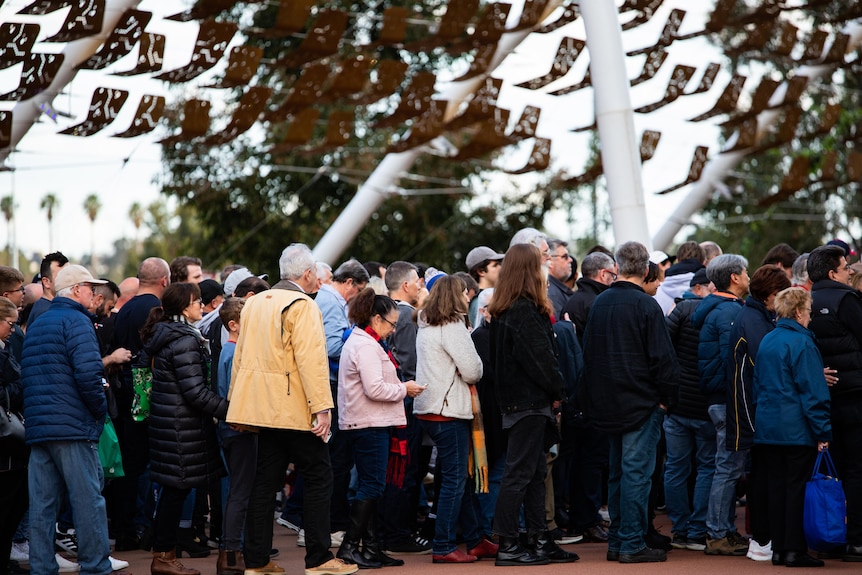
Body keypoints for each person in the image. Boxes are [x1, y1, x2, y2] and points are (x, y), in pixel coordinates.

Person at [226, 243, 357, 575]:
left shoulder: (253, 303)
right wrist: (322, 408)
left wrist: (236, 407)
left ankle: (257, 561)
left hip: (258, 408)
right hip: (292, 407)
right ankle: (318, 558)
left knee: (264, 482)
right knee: (319, 475)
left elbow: (239, 358)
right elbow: (311, 362)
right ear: (309, 273)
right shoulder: (302, 305)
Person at [581, 241, 679, 564]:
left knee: (618, 473)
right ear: (646, 268)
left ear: (619, 266)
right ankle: (632, 542)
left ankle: (620, 539)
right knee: (636, 473)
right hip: (640, 402)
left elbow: (589, 356)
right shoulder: (646, 306)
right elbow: (663, 360)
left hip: (609, 401)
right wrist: (667, 400)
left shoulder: (601, 302)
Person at [21, 265, 117, 575]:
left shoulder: (38, 321)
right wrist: (99, 411)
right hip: (72, 425)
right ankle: (95, 567)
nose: (96, 294)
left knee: (43, 506)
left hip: (40, 426)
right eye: (91, 288)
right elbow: (89, 374)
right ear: (76, 290)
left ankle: (42, 568)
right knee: (87, 501)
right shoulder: (77, 320)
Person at [488, 243, 577, 566]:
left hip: (520, 403)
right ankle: (510, 543)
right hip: (528, 402)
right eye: (540, 263)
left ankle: (540, 538)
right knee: (520, 473)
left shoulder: (505, 309)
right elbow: (541, 362)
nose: (545, 268)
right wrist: (558, 390)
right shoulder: (523, 310)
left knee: (533, 472)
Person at [141, 282, 228, 575]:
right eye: (196, 301)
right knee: (175, 492)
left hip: (173, 424)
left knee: (172, 491)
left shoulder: (171, 335)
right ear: (183, 306)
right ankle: (163, 557)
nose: (201, 305)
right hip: (181, 427)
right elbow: (195, 392)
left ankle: (163, 554)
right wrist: (230, 409)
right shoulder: (184, 340)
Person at [335, 288, 425, 568]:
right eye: (391, 324)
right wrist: (404, 388)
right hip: (368, 422)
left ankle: (371, 547)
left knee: (373, 485)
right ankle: (351, 546)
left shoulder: (366, 342)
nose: (393, 329)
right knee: (372, 485)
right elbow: (374, 388)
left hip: (369, 421)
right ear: (376, 319)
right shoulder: (365, 345)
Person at [413, 275, 491, 563]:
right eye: (464, 293)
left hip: (429, 408)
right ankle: (444, 544)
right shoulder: (452, 325)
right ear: (454, 296)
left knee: (458, 478)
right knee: (456, 480)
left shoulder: (426, 324)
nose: (469, 297)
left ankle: (475, 538)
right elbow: (473, 370)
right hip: (449, 409)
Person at [753, 287, 831, 568]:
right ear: (799, 312)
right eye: (808, 311)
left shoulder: (768, 340)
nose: (810, 316)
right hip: (796, 429)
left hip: (768, 427)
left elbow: (757, 386)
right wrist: (823, 431)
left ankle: (779, 549)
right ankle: (794, 550)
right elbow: (813, 392)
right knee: (796, 489)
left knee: (777, 489)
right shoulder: (803, 343)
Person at [726, 266, 790, 561]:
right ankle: (762, 539)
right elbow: (764, 366)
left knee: (759, 476)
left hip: (753, 409)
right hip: (754, 410)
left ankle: (761, 538)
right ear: (771, 295)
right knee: (761, 477)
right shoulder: (753, 319)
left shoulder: (756, 316)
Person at [691, 253, 749, 556]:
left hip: (718, 398)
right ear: (735, 277)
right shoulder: (727, 311)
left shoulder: (720, 308)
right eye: (746, 272)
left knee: (725, 466)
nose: (749, 277)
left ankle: (722, 530)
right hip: (727, 398)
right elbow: (735, 361)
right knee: (727, 467)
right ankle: (717, 534)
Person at [807, 244, 862, 561]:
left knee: (833, 470)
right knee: (856, 469)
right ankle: (856, 539)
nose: (850, 271)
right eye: (845, 267)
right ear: (832, 272)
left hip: (822, 398)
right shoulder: (847, 299)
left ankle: (830, 534)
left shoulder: (804, 302)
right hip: (854, 393)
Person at [663, 268, 715, 552]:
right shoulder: (720, 312)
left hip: (678, 404)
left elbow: (663, 350)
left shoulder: (679, 312)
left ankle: (680, 529)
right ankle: (697, 530)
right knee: (707, 467)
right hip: (706, 405)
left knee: (675, 468)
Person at [214, 297, 252, 575]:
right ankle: (231, 552)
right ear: (234, 325)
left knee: (239, 490)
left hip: (233, 427)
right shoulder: (233, 353)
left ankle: (232, 550)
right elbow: (234, 394)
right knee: (240, 491)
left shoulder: (229, 351)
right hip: (239, 428)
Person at [0, 297, 26, 575]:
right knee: (7, 503)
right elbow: (15, 387)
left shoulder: (5, 348)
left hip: (9, 438)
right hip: (4, 440)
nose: (13, 329)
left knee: (12, 503)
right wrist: (15, 392)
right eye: (10, 323)